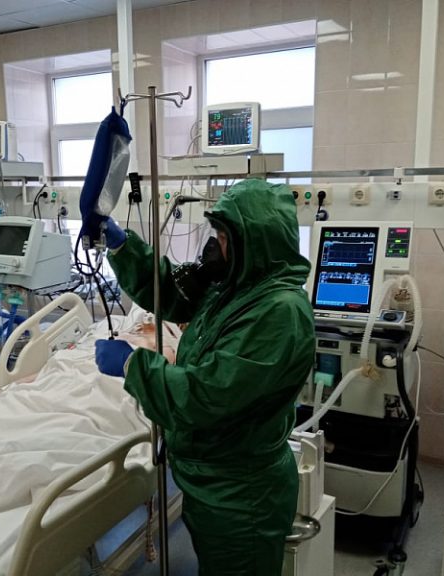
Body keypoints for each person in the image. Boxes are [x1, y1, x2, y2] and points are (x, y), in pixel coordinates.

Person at [94, 179, 315, 575]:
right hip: (213, 483)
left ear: (254, 242)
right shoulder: (236, 288)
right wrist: (123, 246)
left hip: (242, 497)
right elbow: (171, 292)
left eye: (224, 237)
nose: (214, 245)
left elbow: (205, 395)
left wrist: (133, 366)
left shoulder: (278, 313)